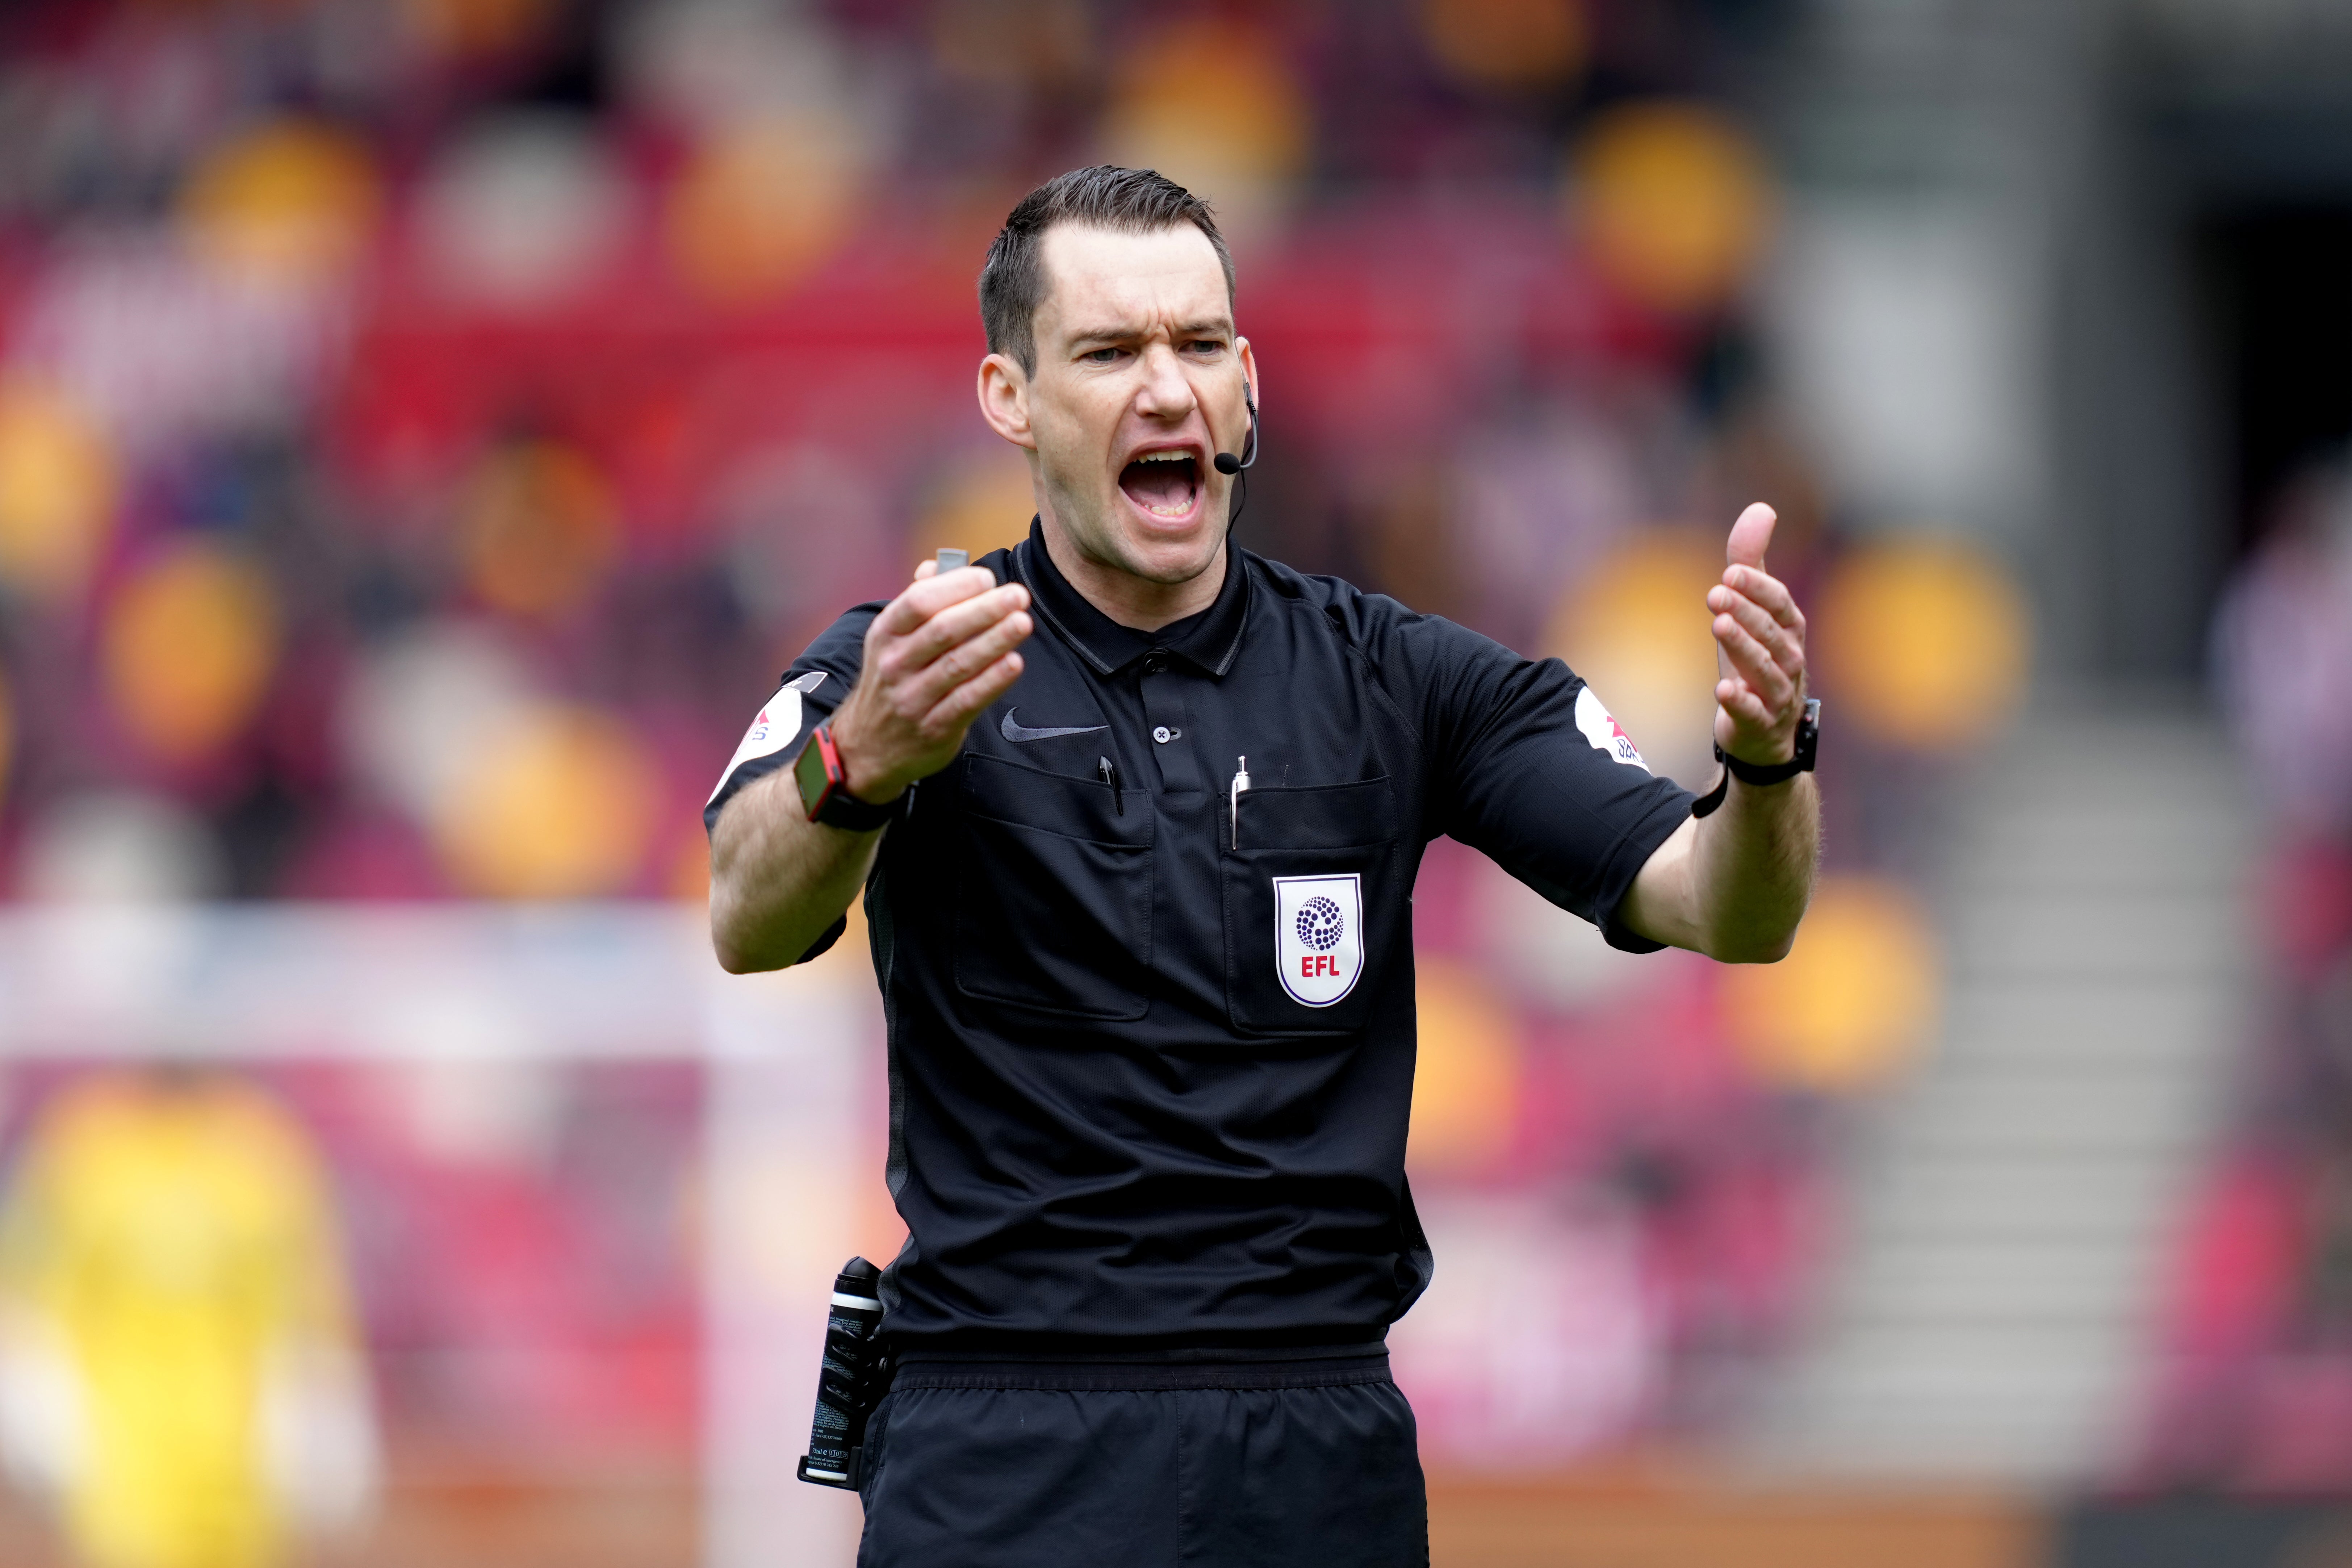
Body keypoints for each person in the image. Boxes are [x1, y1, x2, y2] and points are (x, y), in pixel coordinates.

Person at [705, 166, 1818, 1568]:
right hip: (1004, 1446)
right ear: (1011, 398)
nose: (1166, 387)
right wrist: (861, 755)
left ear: (1248, 383)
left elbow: (1729, 904)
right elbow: (746, 914)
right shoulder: (911, 666)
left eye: (1200, 343)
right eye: (1110, 353)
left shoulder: (1400, 679)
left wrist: (1770, 763)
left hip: (1317, 1452)